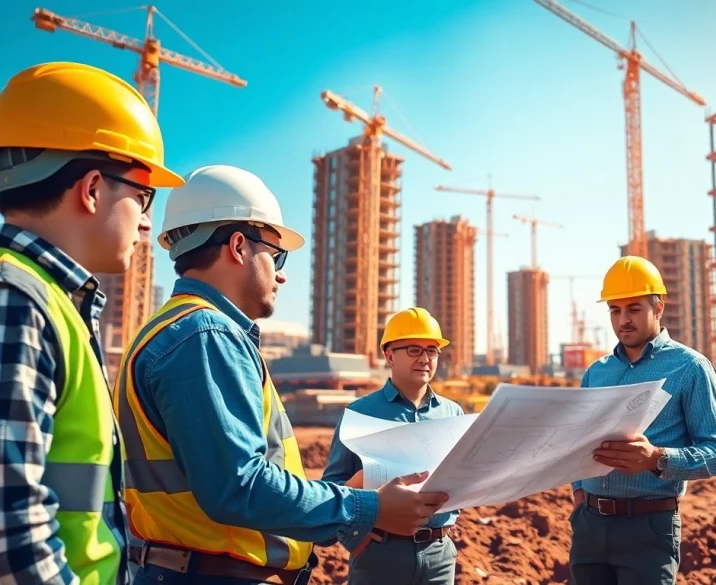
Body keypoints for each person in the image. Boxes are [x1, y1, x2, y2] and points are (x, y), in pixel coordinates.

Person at [111, 165, 449, 585]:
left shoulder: (169, 329)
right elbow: (241, 486)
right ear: (238, 245)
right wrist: (369, 508)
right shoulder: (206, 335)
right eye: (277, 255)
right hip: (218, 574)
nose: (283, 274)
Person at [0, 61, 183, 585]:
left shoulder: (50, 300)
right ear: (93, 188)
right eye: (144, 197)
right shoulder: (19, 299)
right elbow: (13, 532)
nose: (148, 221)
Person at [569, 256, 716, 585]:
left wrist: (658, 459)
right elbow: (578, 441)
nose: (623, 320)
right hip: (589, 525)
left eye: (634, 309)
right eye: (615, 310)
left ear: (658, 308)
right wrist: (578, 493)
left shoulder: (690, 368)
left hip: (647, 528)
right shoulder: (597, 372)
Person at [322, 307, 465, 585]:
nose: (425, 358)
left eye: (432, 350)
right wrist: (355, 540)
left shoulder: (453, 413)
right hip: (379, 555)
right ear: (389, 356)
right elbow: (333, 486)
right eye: (413, 349)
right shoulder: (359, 413)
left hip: (438, 556)